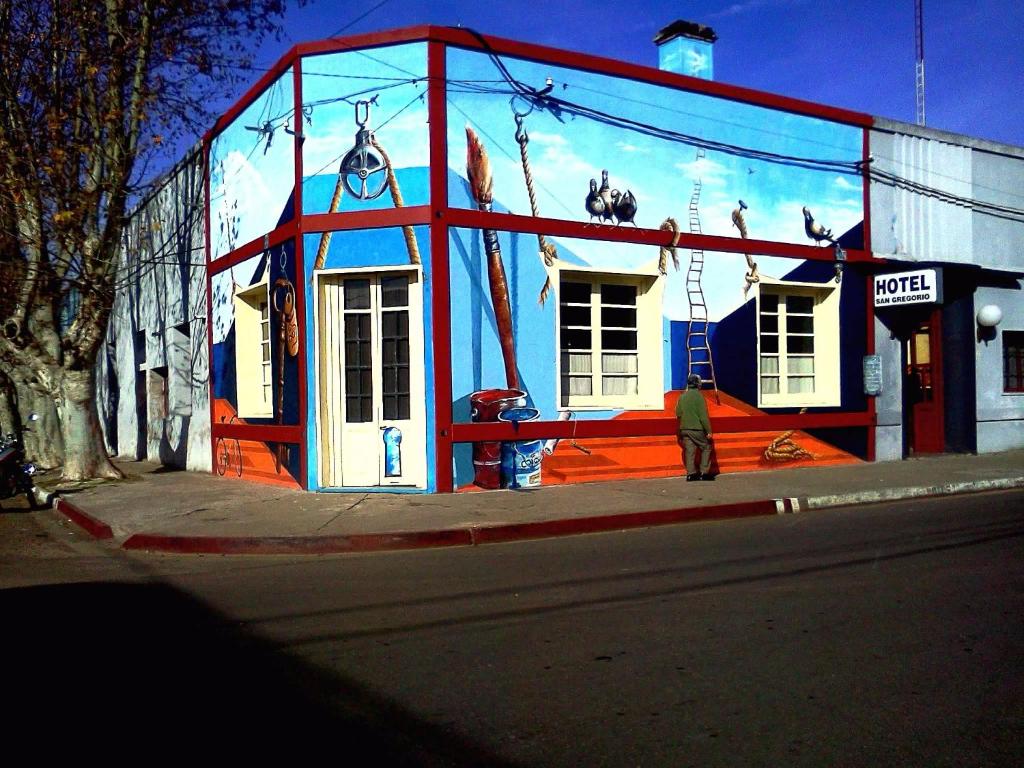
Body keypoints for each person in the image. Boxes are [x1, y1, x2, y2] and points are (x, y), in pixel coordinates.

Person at [675, 373, 714, 481]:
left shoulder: (682, 396)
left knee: (689, 451)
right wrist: (709, 431)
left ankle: (691, 474)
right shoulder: (699, 397)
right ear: (698, 384)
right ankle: (704, 473)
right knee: (706, 447)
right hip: (697, 428)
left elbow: (678, 413)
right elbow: (703, 417)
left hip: (684, 429)